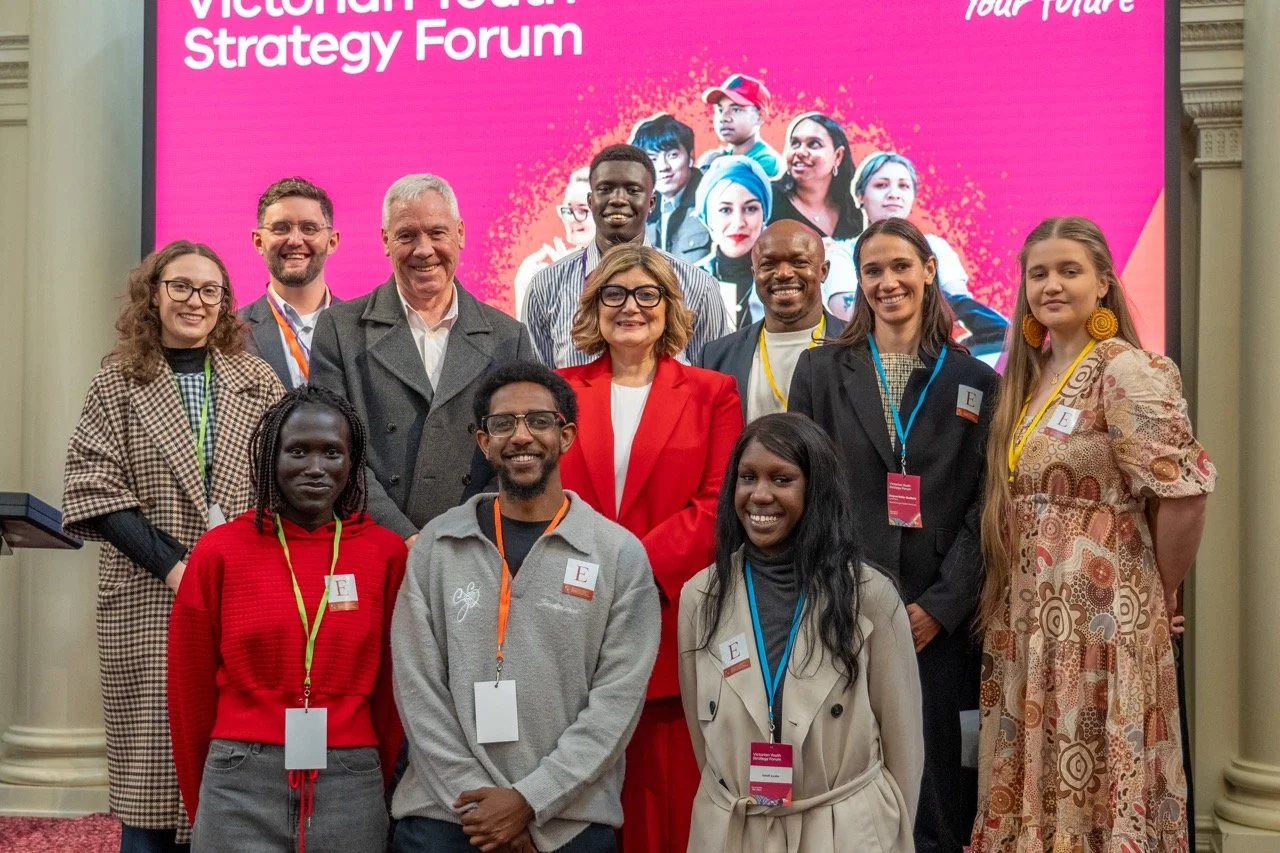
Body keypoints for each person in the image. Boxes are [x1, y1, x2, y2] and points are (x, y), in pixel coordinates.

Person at [970, 217, 1215, 853]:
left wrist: (1159, 594)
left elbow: (1184, 493)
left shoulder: (1127, 369)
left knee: (1098, 775)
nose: (1052, 284)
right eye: (1038, 273)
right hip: (1030, 616)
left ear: (1104, 284)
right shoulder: (1028, 376)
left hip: (1105, 622)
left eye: (1069, 271)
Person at [61, 240, 284, 852]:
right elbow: (93, 486)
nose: (195, 301)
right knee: (153, 777)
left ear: (225, 304)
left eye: (209, 290)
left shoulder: (255, 377)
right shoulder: (117, 380)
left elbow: (284, 482)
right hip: (148, 595)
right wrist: (176, 569)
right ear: (153, 295)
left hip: (241, 595)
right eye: (180, 287)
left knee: (232, 758)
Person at [389, 361, 660, 853]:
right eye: (503, 424)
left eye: (538, 421)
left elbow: (616, 703)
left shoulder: (618, 555)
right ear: (483, 441)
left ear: (567, 435)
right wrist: (484, 813)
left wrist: (530, 802)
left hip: (568, 825)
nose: (520, 436)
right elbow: (417, 688)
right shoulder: (436, 545)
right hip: (443, 820)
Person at [789, 218, 997, 853]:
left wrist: (938, 608)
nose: (887, 282)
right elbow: (806, 492)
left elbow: (988, 508)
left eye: (900, 267)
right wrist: (838, 595)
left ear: (928, 271)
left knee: (933, 795)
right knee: (843, 783)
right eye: (873, 271)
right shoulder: (820, 372)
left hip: (937, 627)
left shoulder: (978, 383)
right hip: (843, 611)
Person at [556, 244, 743, 853]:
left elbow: (718, 504)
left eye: (646, 294)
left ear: (668, 306)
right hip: (569, 610)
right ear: (594, 306)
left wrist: (628, 569)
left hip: (667, 614)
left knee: (660, 803)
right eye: (614, 293)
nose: (630, 307)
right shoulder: (557, 390)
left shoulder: (713, 392)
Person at [167, 386, 406, 852]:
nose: (316, 468)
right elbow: (189, 690)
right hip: (238, 781)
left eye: (332, 453)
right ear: (270, 458)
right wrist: (205, 801)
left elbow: (392, 692)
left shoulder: (385, 554)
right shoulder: (220, 552)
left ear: (352, 463)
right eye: (298, 451)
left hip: (350, 780)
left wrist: (364, 765)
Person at [679, 413, 924, 851]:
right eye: (747, 477)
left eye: (782, 479)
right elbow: (705, 747)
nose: (760, 495)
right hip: (737, 832)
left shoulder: (870, 596)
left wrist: (882, 831)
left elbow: (904, 747)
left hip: (845, 832)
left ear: (816, 490)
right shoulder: (700, 597)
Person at [310, 173, 535, 544]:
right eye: (406, 236)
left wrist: (470, 533)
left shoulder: (508, 337)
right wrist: (403, 537)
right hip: (373, 541)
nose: (424, 249)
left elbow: (518, 450)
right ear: (385, 241)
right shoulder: (339, 330)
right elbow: (335, 448)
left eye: (437, 233)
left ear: (460, 234)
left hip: (477, 544)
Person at [523, 144, 731, 369]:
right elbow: (536, 386)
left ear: (651, 202)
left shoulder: (698, 286)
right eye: (606, 189)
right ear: (591, 201)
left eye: (633, 190)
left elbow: (715, 382)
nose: (618, 199)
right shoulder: (545, 287)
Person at [844, 152, 1007, 364]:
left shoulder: (936, 246)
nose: (894, 194)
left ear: (930, 269)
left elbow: (958, 305)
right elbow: (847, 317)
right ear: (859, 195)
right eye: (881, 185)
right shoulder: (843, 252)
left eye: (903, 186)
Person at [699, 220, 845, 422]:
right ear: (754, 274)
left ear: (823, 271)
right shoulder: (716, 357)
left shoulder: (861, 347)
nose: (783, 273)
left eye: (799, 262)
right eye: (768, 264)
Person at [240, 177, 342, 388]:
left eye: (309, 228)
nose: (295, 240)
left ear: (332, 242)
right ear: (258, 241)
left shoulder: (361, 329)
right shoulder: (232, 332)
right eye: (281, 228)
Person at [693, 155, 773, 328]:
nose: (738, 222)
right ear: (708, 219)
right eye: (725, 210)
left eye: (751, 208)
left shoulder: (786, 278)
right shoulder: (687, 282)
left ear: (764, 217)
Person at [514, 168, 596, 320]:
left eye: (582, 210)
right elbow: (529, 340)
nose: (571, 218)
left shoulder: (623, 267)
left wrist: (569, 284)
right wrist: (525, 288)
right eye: (568, 210)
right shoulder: (553, 268)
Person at [770, 112, 863, 242]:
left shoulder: (854, 213)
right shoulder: (767, 199)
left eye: (814, 144)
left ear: (838, 156)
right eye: (795, 143)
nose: (800, 152)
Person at [631, 113, 711, 265]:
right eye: (653, 159)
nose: (663, 167)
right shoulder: (642, 209)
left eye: (672, 155)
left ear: (691, 155)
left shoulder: (712, 197)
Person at [696, 73, 784, 179]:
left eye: (736, 110)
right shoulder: (719, 158)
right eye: (720, 110)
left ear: (760, 116)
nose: (724, 117)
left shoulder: (766, 162)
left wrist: (706, 174)